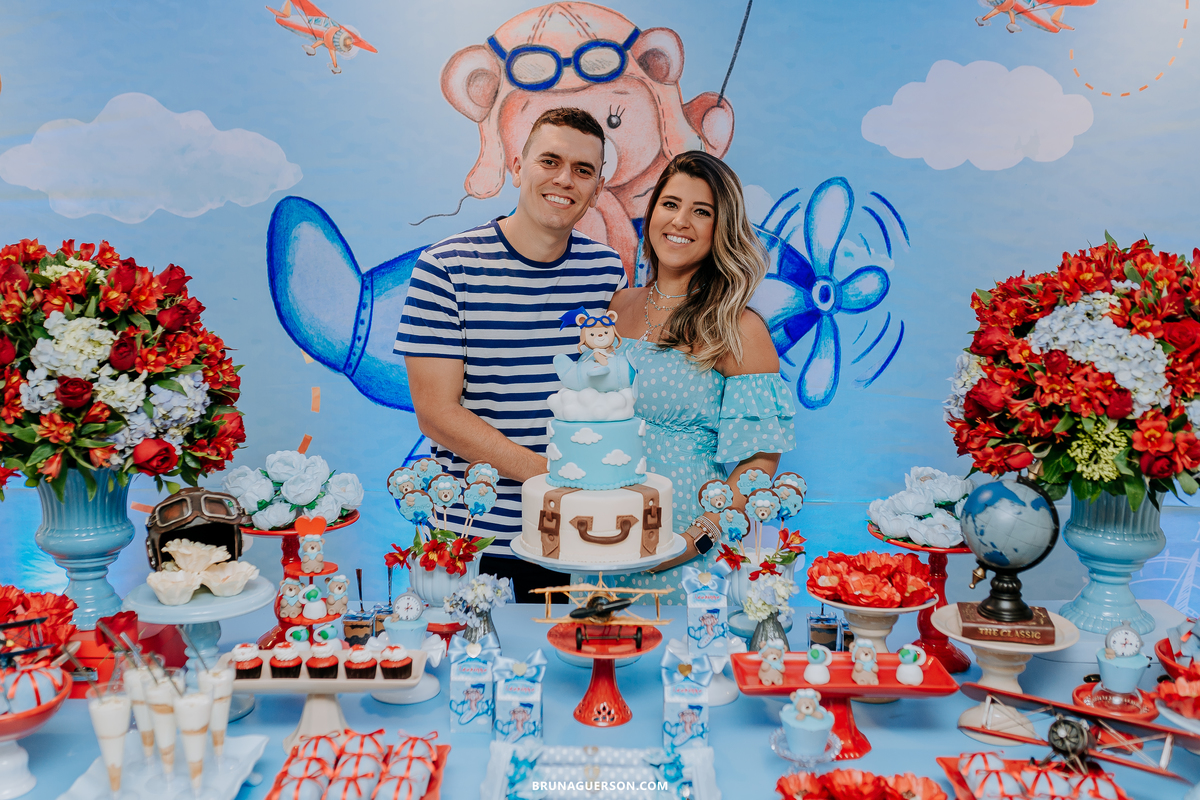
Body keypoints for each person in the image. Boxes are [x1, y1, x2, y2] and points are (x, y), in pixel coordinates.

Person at [394, 108, 626, 601]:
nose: (565, 179)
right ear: (518, 167)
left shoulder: (606, 272)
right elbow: (436, 414)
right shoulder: (445, 267)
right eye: (550, 161)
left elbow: (611, 391)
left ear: (598, 187)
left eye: (583, 170)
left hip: (578, 538)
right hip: (473, 538)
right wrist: (551, 479)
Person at [586, 150, 796, 604]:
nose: (680, 221)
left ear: (721, 230)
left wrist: (694, 538)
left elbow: (759, 462)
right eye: (670, 204)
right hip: (599, 545)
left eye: (701, 212)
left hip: (685, 555)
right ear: (652, 210)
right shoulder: (615, 308)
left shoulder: (738, 328)